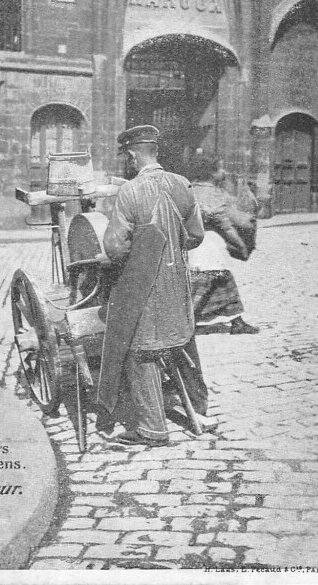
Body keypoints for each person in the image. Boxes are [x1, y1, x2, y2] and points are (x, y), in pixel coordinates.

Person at [96, 125, 217, 448]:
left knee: (140, 350)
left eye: (128, 157)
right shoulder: (182, 184)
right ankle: (198, 409)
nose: (128, 162)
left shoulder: (130, 192)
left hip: (145, 285)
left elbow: (115, 248)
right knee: (181, 339)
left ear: (134, 154)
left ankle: (152, 429)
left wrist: (141, 252)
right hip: (177, 282)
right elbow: (196, 236)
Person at [187, 152, 259, 335]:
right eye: (219, 168)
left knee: (223, 282)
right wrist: (241, 246)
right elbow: (226, 227)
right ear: (211, 173)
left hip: (189, 244)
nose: (223, 172)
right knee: (202, 286)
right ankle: (183, 324)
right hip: (206, 248)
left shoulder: (188, 188)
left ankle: (237, 321)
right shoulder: (213, 195)